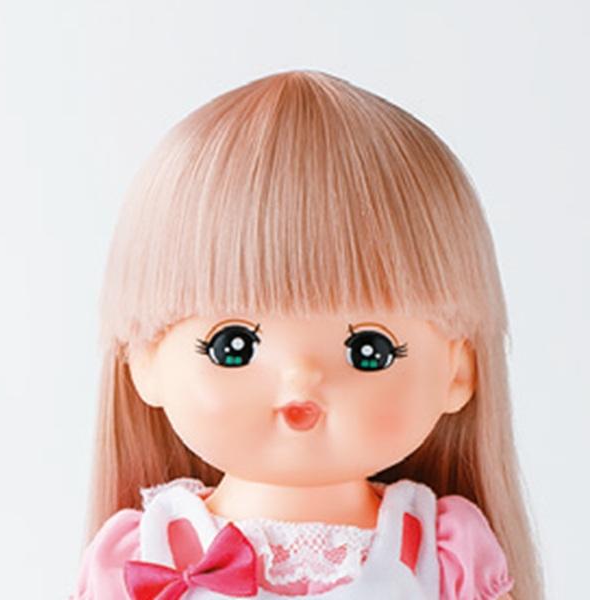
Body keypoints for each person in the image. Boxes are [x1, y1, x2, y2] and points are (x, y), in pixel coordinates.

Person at [71, 70, 542, 599]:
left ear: (458, 370)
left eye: (369, 350)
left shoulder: (443, 551)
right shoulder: (144, 555)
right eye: (233, 347)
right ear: (145, 361)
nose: (301, 377)